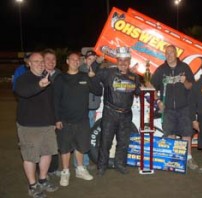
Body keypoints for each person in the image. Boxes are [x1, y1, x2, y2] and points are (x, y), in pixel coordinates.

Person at [54, 52, 102, 186]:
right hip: (65, 120)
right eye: (73, 59)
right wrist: (57, 119)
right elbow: (55, 100)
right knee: (64, 147)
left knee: (81, 145)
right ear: (67, 61)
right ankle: (65, 172)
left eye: (78, 60)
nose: (75, 61)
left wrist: (93, 78)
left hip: (82, 119)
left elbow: (98, 91)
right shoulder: (60, 78)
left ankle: (80, 169)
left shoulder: (85, 77)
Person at [15, 52, 59, 198]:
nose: (40, 63)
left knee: (47, 153)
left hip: (47, 125)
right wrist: (39, 85)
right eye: (36, 61)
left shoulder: (47, 77)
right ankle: (33, 185)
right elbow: (22, 92)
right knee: (30, 156)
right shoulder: (23, 78)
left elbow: (51, 102)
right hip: (29, 126)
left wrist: (53, 120)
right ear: (29, 63)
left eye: (42, 61)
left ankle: (42, 179)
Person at [92, 46, 141, 176]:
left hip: (126, 114)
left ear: (129, 62)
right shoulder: (108, 73)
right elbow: (93, 71)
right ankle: (101, 167)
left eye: (126, 61)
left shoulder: (134, 77)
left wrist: (145, 82)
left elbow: (138, 92)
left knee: (123, 142)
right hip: (110, 113)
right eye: (120, 60)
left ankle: (120, 164)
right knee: (105, 141)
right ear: (117, 61)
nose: (123, 63)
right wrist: (98, 60)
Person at [150, 44, 198, 170]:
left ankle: (188, 159)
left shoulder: (184, 67)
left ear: (176, 54)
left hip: (184, 107)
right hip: (168, 109)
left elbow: (191, 86)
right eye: (167, 53)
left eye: (171, 52)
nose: (169, 55)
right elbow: (151, 86)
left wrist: (185, 81)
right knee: (170, 133)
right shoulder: (161, 70)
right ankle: (173, 159)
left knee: (186, 133)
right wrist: (158, 101)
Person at [73, 49, 102, 170]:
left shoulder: (93, 70)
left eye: (94, 59)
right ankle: (79, 164)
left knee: (87, 135)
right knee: (82, 136)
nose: (92, 61)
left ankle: (84, 162)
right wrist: (97, 63)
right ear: (84, 60)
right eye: (89, 59)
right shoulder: (83, 70)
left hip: (92, 108)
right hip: (84, 109)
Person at [42, 48, 62, 177]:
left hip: (57, 115)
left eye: (53, 59)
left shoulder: (60, 74)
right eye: (48, 59)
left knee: (55, 144)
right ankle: (43, 172)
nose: (51, 61)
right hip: (42, 116)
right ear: (42, 61)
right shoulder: (38, 74)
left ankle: (53, 169)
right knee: (43, 145)